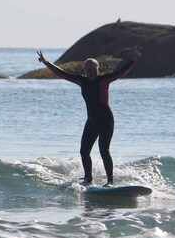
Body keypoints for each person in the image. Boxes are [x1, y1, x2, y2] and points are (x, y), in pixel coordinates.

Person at [36, 46, 142, 186]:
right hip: (91, 121)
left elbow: (120, 72)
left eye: (94, 68)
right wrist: (46, 62)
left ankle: (110, 181)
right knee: (84, 151)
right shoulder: (82, 81)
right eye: (89, 69)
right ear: (85, 71)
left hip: (105, 120)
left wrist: (133, 60)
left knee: (104, 151)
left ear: (98, 69)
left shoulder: (105, 79)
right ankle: (88, 178)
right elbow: (63, 73)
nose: (91, 71)